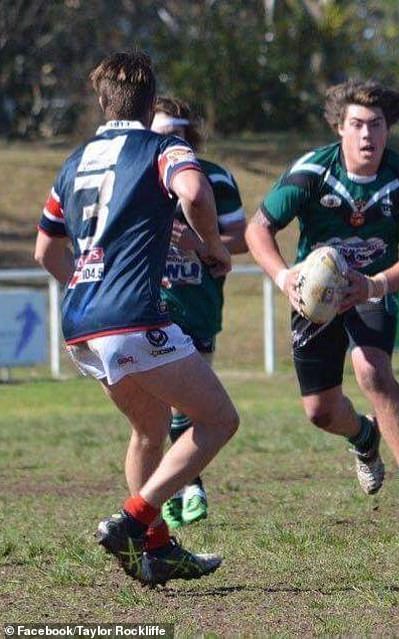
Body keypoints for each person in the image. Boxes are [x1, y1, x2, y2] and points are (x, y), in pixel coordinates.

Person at [34, 52, 239, 585]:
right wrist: (212, 246)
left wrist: (86, 287)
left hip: (80, 322)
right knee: (218, 420)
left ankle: (156, 551)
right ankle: (132, 521)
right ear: (152, 104)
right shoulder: (162, 146)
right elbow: (193, 190)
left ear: (102, 102)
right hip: (130, 315)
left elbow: (45, 252)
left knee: (149, 431)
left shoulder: (73, 161)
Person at [245, 79, 399, 530]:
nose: (367, 136)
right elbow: (259, 229)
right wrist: (283, 275)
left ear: (389, 129)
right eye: (357, 125)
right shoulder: (312, 172)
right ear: (339, 127)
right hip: (313, 294)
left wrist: (373, 286)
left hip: (371, 286)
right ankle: (364, 435)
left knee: (372, 370)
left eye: (376, 125)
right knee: (320, 411)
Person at [150, 96, 247, 530]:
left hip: (199, 302)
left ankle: (182, 484)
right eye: (158, 134)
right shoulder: (137, 177)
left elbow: (242, 239)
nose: (167, 142)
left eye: (174, 133)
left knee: (185, 403)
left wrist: (201, 242)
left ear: (189, 134)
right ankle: (186, 486)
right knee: (162, 406)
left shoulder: (216, 179)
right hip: (148, 305)